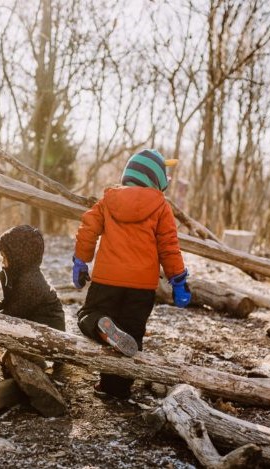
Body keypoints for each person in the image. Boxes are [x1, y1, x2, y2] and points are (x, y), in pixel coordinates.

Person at [72, 149, 191, 399]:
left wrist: (81, 260)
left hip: (107, 280)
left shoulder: (108, 200)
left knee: (88, 316)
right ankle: (116, 389)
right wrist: (177, 280)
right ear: (157, 179)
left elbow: (87, 229)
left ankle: (104, 330)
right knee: (131, 336)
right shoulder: (161, 207)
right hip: (142, 286)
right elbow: (169, 245)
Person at [0, 224, 66, 332]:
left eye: (5, 257)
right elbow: (10, 300)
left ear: (18, 258)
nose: (2, 262)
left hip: (49, 334)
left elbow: (12, 314)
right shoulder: (22, 274)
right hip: (36, 327)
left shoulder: (31, 284)